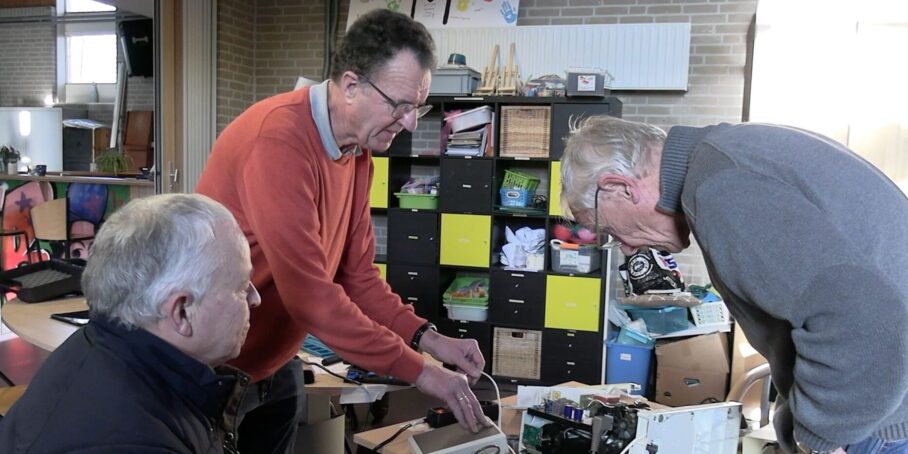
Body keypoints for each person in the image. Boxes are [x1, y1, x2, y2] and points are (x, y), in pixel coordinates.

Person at [196, 8, 489, 452]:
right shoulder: (279, 141)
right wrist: (423, 371)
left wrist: (429, 338)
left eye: (418, 106)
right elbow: (311, 298)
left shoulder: (356, 151)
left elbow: (358, 277)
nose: (411, 122)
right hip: (216, 366)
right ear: (351, 85)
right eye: (400, 105)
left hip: (275, 361)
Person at [559, 116, 908, 454]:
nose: (625, 248)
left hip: (881, 425)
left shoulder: (721, 187)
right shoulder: (729, 150)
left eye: (609, 231)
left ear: (619, 187)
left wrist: (819, 438)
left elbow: (866, 323)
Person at [0, 193, 262, 453]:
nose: (256, 299)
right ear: (182, 312)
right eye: (241, 288)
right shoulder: (135, 439)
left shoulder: (102, 343)